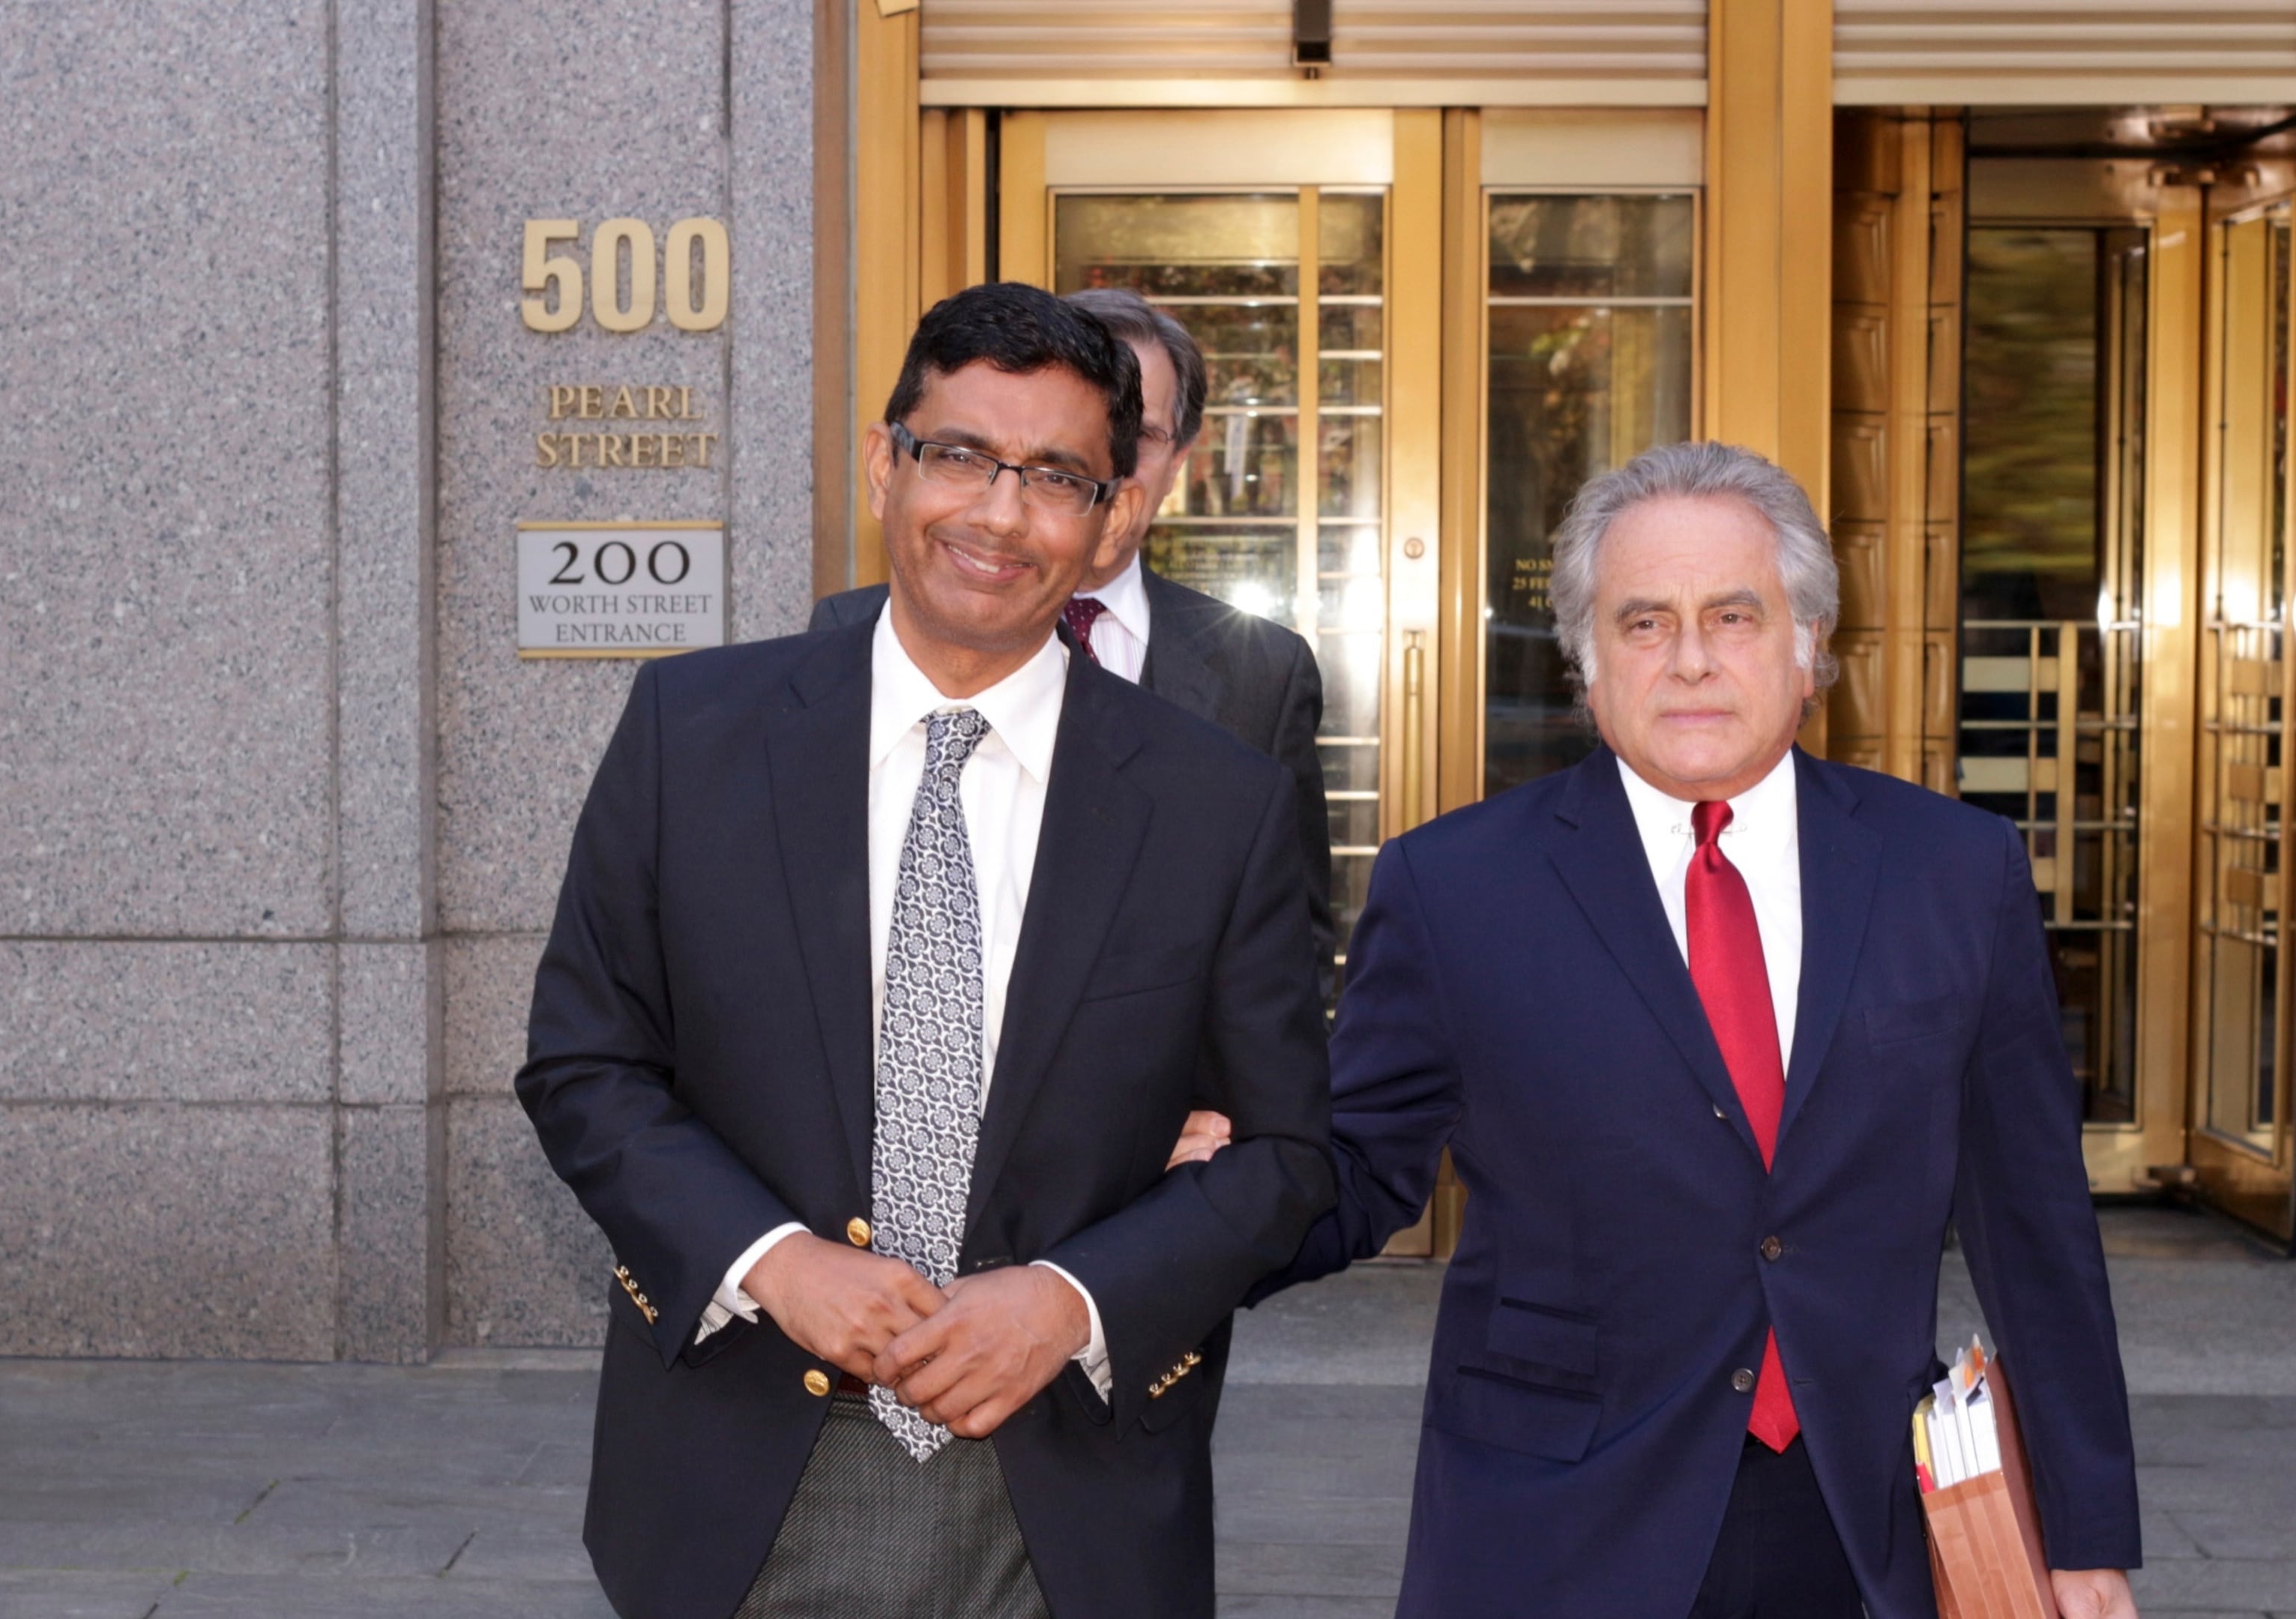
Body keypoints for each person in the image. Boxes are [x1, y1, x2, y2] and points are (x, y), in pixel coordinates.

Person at [517, 282, 1340, 1619]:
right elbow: (585, 1067)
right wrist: (773, 1259)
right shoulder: (692, 733)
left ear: (1114, 511)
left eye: (1057, 477)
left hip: (1067, 1494)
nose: (1000, 515)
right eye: (960, 455)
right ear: (886, 465)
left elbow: (1289, 1156)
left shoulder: (1212, 803)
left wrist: (1075, 1299)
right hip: (742, 1464)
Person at [1243, 441, 2144, 1617]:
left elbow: (2036, 1224)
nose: (1692, 663)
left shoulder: (1953, 873)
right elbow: (1357, 1168)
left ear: (1811, 644)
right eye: (1644, 624)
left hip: (1866, 1514)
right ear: (1587, 664)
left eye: (1734, 615)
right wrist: (1218, 1189)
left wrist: (2082, 1534)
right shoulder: (1458, 887)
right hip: (1557, 1517)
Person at [811, 286, 1337, 1017]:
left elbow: (1290, 962)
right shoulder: (843, 639)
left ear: (1177, 460)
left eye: (1141, 438)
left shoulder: (1262, 673)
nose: (1115, 464)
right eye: (966, 456)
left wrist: (1233, 1120)